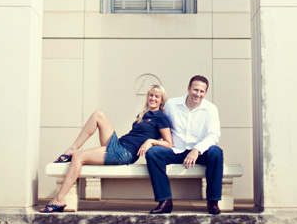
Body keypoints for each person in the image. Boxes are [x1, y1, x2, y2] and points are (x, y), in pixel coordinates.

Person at [40, 84, 172, 213]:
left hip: (124, 153)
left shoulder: (160, 117)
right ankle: (72, 149)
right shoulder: (144, 114)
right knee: (98, 114)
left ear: (161, 100)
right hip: (119, 145)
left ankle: (59, 199)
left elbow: (168, 143)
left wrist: (151, 141)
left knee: (78, 157)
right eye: (151, 95)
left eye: (157, 96)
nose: (153, 98)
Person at [145, 75, 224, 214]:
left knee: (216, 152)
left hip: (199, 153)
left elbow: (214, 135)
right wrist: (155, 140)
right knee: (153, 153)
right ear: (188, 88)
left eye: (201, 91)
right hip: (176, 150)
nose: (198, 94)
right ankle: (165, 201)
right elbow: (162, 125)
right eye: (195, 90)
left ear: (205, 93)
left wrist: (197, 149)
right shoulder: (172, 105)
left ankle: (213, 202)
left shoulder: (211, 109)